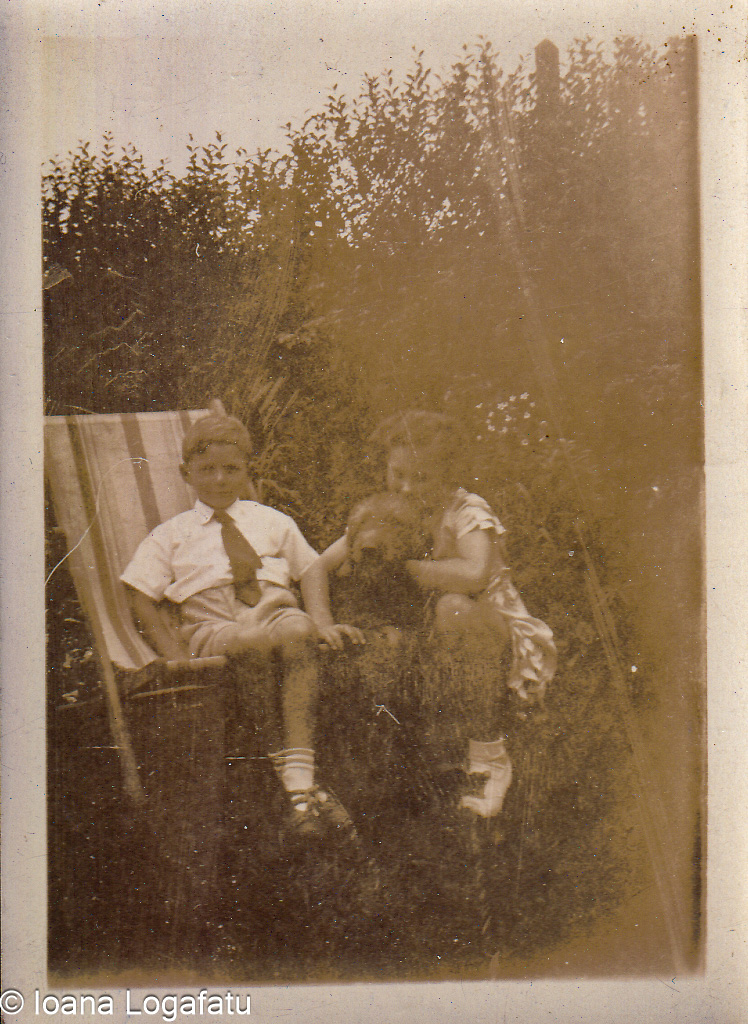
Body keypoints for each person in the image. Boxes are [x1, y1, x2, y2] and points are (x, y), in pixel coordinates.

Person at [304, 410, 556, 819]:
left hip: (487, 631)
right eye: (397, 474)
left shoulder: (466, 511)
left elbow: (475, 574)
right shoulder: (389, 508)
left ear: (448, 475)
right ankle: (396, 770)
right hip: (431, 636)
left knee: (451, 608)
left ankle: (490, 758)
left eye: (421, 479)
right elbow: (317, 566)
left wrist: (403, 570)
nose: (406, 488)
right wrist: (321, 622)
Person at [121, 412, 362, 838]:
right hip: (213, 623)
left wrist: (321, 620)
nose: (219, 479)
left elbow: (310, 569)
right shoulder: (170, 535)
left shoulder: (271, 520)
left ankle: (298, 777)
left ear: (247, 470)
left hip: (273, 607)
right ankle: (298, 782)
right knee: (252, 642)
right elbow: (140, 593)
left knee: (297, 630)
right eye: (207, 470)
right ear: (186, 474)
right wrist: (173, 653)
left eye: (231, 469)